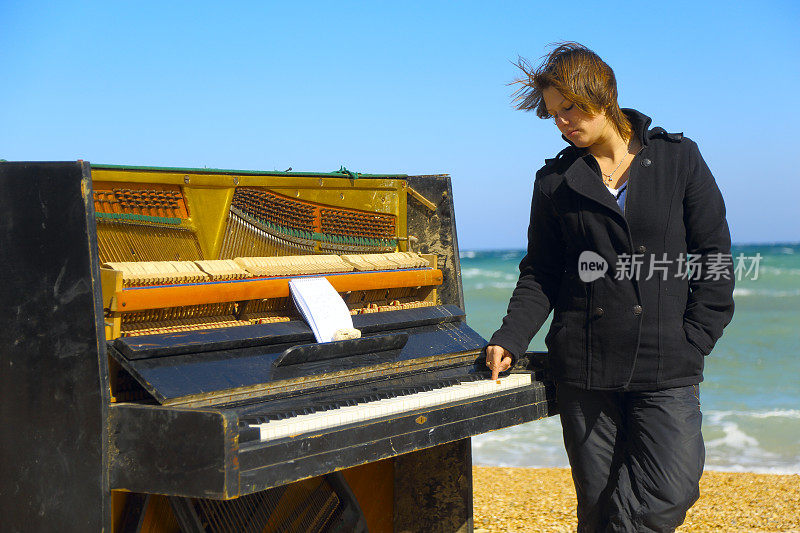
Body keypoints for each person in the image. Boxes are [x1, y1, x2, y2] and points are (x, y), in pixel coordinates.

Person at [485, 43, 735, 532]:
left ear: (602, 94)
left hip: (667, 363)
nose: (563, 122)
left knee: (671, 489)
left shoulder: (677, 158)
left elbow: (714, 255)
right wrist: (510, 337)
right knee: (598, 506)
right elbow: (541, 271)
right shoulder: (555, 181)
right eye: (555, 114)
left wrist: (698, 336)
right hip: (585, 366)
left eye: (571, 108)